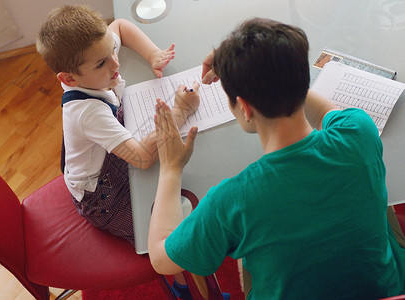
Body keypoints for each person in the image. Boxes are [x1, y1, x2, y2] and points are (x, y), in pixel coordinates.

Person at [149, 17, 405, 299]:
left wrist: (171, 168)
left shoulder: (231, 201)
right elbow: (324, 112)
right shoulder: (359, 131)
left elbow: (161, 259)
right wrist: (270, 73)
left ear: (244, 108)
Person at [36, 5, 200, 244]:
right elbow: (142, 158)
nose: (115, 64)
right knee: (171, 229)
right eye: (101, 64)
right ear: (68, 78)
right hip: (104, 199)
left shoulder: (93, 53)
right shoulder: (88, 112)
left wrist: (152, 54)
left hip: (113, 156)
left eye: (112, 50)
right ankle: (176, 275)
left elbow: (121, 26)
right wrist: (181, 110)